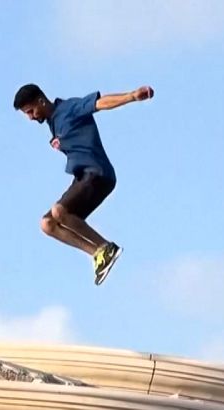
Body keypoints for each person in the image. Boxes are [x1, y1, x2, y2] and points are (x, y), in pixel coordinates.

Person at [13, 83, 154, 285]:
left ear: (41, 101)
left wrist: (131, 96)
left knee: (60, 211)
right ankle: (98, 254)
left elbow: (100, 103)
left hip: (98, 173)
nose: (31, 117)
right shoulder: (52, 123)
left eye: (31, 111)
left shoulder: (69, 108)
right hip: (82, 178)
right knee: (47, 223)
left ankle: (106, 247)